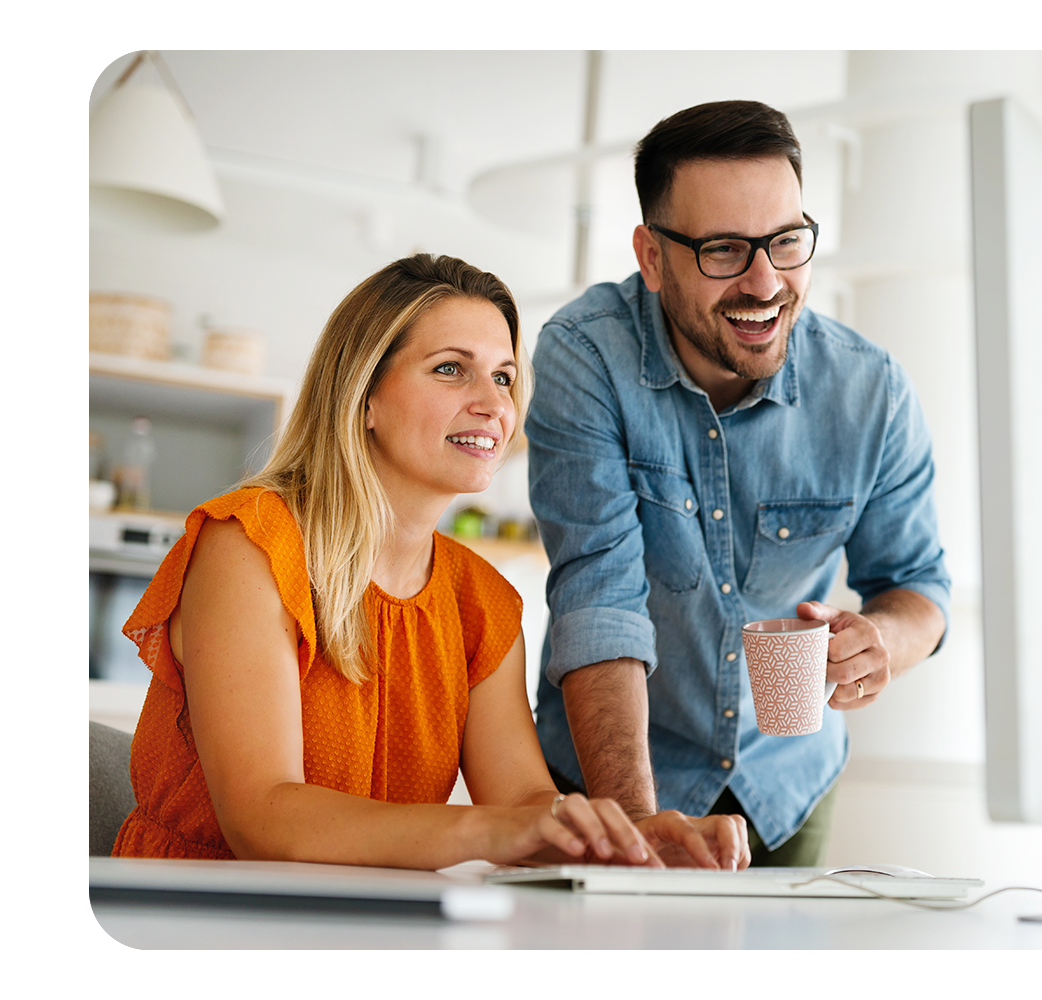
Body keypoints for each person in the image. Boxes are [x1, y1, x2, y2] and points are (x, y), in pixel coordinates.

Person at [111, 254, 749, 871]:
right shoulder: (250, 544)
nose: (493, 404)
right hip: (196, 914)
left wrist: (624, 839)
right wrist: (484, 830)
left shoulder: (481, 601)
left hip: (366, 920)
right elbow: (262, 817)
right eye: (450, 369)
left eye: (504, 377)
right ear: (364, 395)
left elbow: (522, 803)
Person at [526, 101, 951, 866]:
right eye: (723, 249)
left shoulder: (871, 391)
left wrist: (880, 642)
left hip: (785, 784)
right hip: (610, 774)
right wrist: (636, 829)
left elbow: (919, 585)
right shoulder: (586, 357)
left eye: (785, 241)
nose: (765, 283)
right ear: (652, 257)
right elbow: (598, 599)